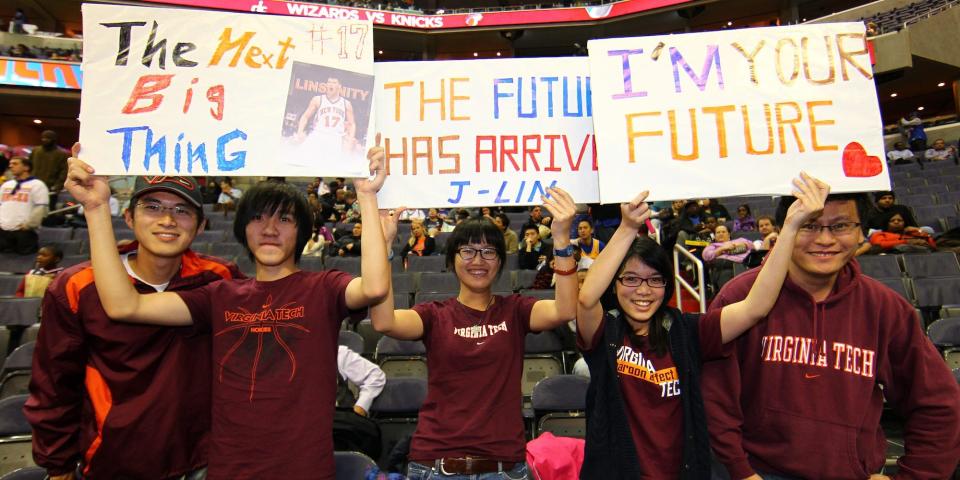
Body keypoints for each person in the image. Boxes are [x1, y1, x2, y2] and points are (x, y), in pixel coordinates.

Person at [63, 146, 391, 479]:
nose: (270, 229)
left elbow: (375, 287)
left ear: (302, 231)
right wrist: (96, 207)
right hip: (229, 470)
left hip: (304, 468)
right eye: (258, 218)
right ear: (242, 230)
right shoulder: (219, 295)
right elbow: (124, 305)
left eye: (285, 219)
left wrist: (366, 195)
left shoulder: (324, 289)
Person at [577, 173, 830, 479]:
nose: (643, 290)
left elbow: (755, 308)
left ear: (667, 285)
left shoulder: (687, 331)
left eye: (655, 280)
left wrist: (790, 228)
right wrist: (628, 228)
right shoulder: (606, 332)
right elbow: (588, 298)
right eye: (631, 279)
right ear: (615, 284)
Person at [702, 190, 960, 479]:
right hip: (756, 472)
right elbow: (714, 400)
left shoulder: (885, 308)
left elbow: (936, 404)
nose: (825, 240)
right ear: (785, 230)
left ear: (861, 232)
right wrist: (739, 471)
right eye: (809, 225)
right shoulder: (739, 297)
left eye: (840, 226)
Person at [25, 170, 242, 479]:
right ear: (128, 217)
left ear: (201, 225)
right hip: (113, 461)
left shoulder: (220, 278)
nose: (167, 220)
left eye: (182, 211)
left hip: (201, 460)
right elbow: (54, 384)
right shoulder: (77, 286)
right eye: (153, 207)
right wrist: (57, 464)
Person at [370, 188, 578, 479]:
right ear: (452, 259)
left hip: (504, 468)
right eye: (467, 251)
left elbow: (566, 310)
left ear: (501, 261)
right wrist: (384, 246)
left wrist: (561, 240)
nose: (478, 260)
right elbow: (383, 321)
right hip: (436, 465)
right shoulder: (434, 314)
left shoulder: (516, 310)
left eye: (488, 251)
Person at [296, 76, 359, 158]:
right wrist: (299, 132)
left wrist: (350, 142)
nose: (330, 84)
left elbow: (352, 124)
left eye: (334, 82)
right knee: (300, 158)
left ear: (339, 86)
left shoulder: (346, 104)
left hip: (335, 138)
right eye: (329, 82)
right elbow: (305, 117)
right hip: (318, 135)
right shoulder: (318, 99)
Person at [0, 157, 48, 255]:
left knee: (23, 260)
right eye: (10, 164)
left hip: (24, 232)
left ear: (26, 167)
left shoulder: (37, 185)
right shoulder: (6, 185)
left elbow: (41, 208)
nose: (10, 166)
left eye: (15, 164)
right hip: (3, 231)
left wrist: (28, 225)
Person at [27, 130, 68, 205]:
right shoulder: (36, 151)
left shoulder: (61, 154)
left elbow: (64, 171)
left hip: (50, 187)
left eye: (47, 138)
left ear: (54, 140)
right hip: (33, 185)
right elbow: (28, 166)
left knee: (48, 209)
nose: (44, 140)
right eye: (43, 138)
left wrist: (58, 185)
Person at [868, 211, 936, 253]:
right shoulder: (880, 234)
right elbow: (879, 245)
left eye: (900, 220)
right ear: (886, 223)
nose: (896, 222)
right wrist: (906, 242)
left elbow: (933, 246)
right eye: (892, 220)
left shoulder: (911, 233)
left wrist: (918, 230)